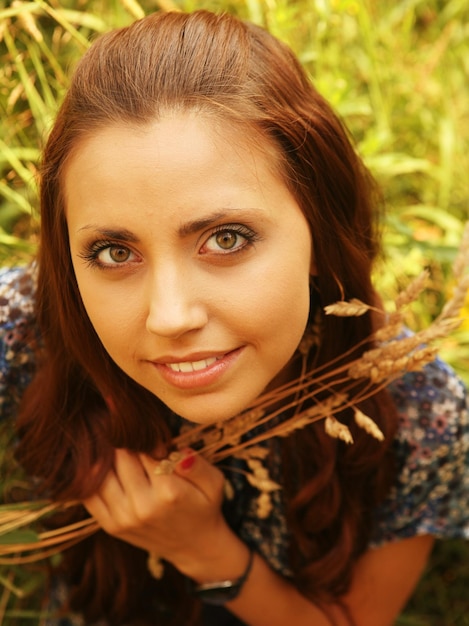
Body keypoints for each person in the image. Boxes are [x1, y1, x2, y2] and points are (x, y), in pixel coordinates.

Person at [0, 9, 467, 626]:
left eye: (226, 239)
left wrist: (204, 550)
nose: (170, 317)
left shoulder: (417, 411)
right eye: (115, 252)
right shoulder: (32, 328)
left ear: (320, 234)